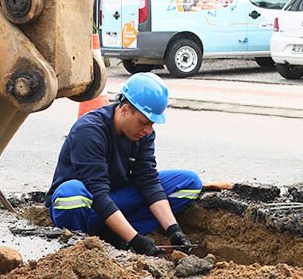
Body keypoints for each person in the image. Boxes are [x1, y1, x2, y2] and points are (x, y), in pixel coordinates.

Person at [45, 73, 202, 255]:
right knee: (70, 195)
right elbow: (97, 192)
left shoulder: (144, 134)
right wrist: (136, 240)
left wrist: (174, 230)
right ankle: (83, 243)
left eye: (152, 124)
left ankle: (113, 233)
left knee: (189, 183)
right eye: (144, 122)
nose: (148, 130)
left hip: (115, 199)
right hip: (86, 207)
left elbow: (148, 181)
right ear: (125, 110)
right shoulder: (89, 131)